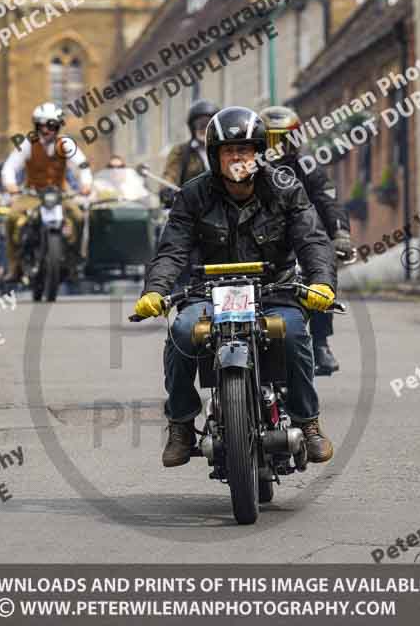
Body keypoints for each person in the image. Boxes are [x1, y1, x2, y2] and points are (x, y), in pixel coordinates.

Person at [134, 106, 337, 468]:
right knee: (181, 331)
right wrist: (155, 290)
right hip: (207, 292)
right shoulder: (193, 195)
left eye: (245, 149)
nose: (237, 157)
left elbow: (313, 240)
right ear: (215, 156)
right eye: (229, 150)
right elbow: (172, 248)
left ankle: (308, 423)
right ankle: (180, 424)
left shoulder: (285, 188)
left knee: (291, 334)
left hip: (275, 290)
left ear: (259, 152)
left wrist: (321, 282)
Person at [259, 105, 353, 375]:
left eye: (284, 140)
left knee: (320, 277)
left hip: (302, 237)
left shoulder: (307, 166)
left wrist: (340, 233)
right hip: (263, 243)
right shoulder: (250, 170)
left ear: (296, 140)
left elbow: (327, 199)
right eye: (271, 141)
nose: (278, 148)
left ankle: (321, 343)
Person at [1, 102, 93, 281]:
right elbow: (9, 167)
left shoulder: (66, 144)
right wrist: (11, 185)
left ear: (58, 127)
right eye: (42, 125)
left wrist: (86, 184)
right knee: (12, 217)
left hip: (60, 194)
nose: (46, 130)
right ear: (36, 126)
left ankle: (73, 262)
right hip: (32, 194)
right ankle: (14, 267)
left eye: (51, 125)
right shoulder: (27, 143)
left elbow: (82, 165)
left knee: (78, 217)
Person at [159, 99, 219, 206]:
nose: (203, 128)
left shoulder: (225, 149)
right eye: (199, 124)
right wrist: (167, 190)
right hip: (192, 206)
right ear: (192, 127)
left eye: (208, 123)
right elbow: (170, 175)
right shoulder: (181, 151)